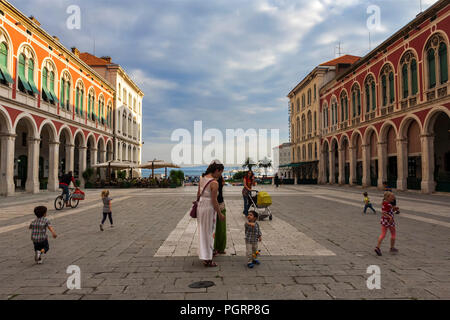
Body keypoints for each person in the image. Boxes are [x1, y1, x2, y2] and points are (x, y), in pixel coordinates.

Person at [197, 160, 225, 267]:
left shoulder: (202, 178)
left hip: (201, 206)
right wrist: (220, 213)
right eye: (220, 172)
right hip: (209, 207)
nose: (220, 175)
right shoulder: (214, 183)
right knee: (209, 233)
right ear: (217, 170)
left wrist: (197, 205)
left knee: (202, 231)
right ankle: (208, 259)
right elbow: (214, 200)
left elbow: (198, 194)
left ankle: (204, 255)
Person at [374, 191, 399, 256]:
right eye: (392, 197)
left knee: (383, 234)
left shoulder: (386, 203)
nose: (393, 198)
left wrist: (394, 209)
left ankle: (378, 247)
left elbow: (389, 211)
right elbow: (384, 212)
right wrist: (390, 217)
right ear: (388, 197)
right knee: (393, 234)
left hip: (384, 221)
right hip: (389, 221)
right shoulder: (387, 204)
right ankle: (392, 247)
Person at [213, 174, 227, 255]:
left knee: (219, 228)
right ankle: (218, 248)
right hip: (218, 204)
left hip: (220, 204)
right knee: (219, 228)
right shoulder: (214, 179)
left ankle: (218, 248)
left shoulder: (212, 178)